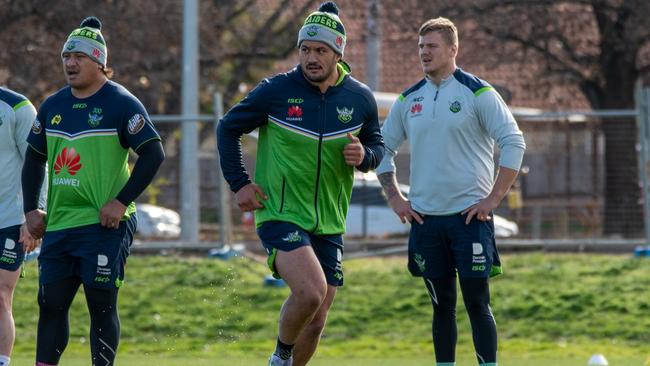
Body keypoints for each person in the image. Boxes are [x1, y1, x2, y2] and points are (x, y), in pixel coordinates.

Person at [217, 2, 384, 365]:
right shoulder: (275, 91)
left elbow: (377, 145)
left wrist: (365, 156)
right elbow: (227, 127)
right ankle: (279, 358)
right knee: (310, 292)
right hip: (280, 212)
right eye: (305, 49)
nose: (311, 57)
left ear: (338, 52)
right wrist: (240, 183)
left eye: (320, 50)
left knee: (317, 320)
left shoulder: (359, 98)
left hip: (329, 221)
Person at [376, 17, 526, 366]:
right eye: (421, 47)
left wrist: (493, 199)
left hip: (468, 219)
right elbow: (382, 148)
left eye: (432, 46)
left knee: (477, 303)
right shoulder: (408, 99)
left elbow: (514, 143)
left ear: (453, 49)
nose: (424, 53)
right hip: (427, 221)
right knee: (441, 305)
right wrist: (395, 198)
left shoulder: (477, 93)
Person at [21, 16, 165, 366]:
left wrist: (120, 202)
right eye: (66, 57)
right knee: (50, 305)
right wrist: (31, 210)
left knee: (101, 303)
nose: (70, 63)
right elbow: (33, 160)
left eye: (79, 57)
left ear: (99, 62)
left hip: (105, 226)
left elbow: (153, 153)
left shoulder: (121, 103)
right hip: (60, 225)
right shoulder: (53, 106)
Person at [0, 87, 45, 366]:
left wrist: (33, 216)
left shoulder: (17, 107)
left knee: (1, 293)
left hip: (9, 219)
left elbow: (38, 162)